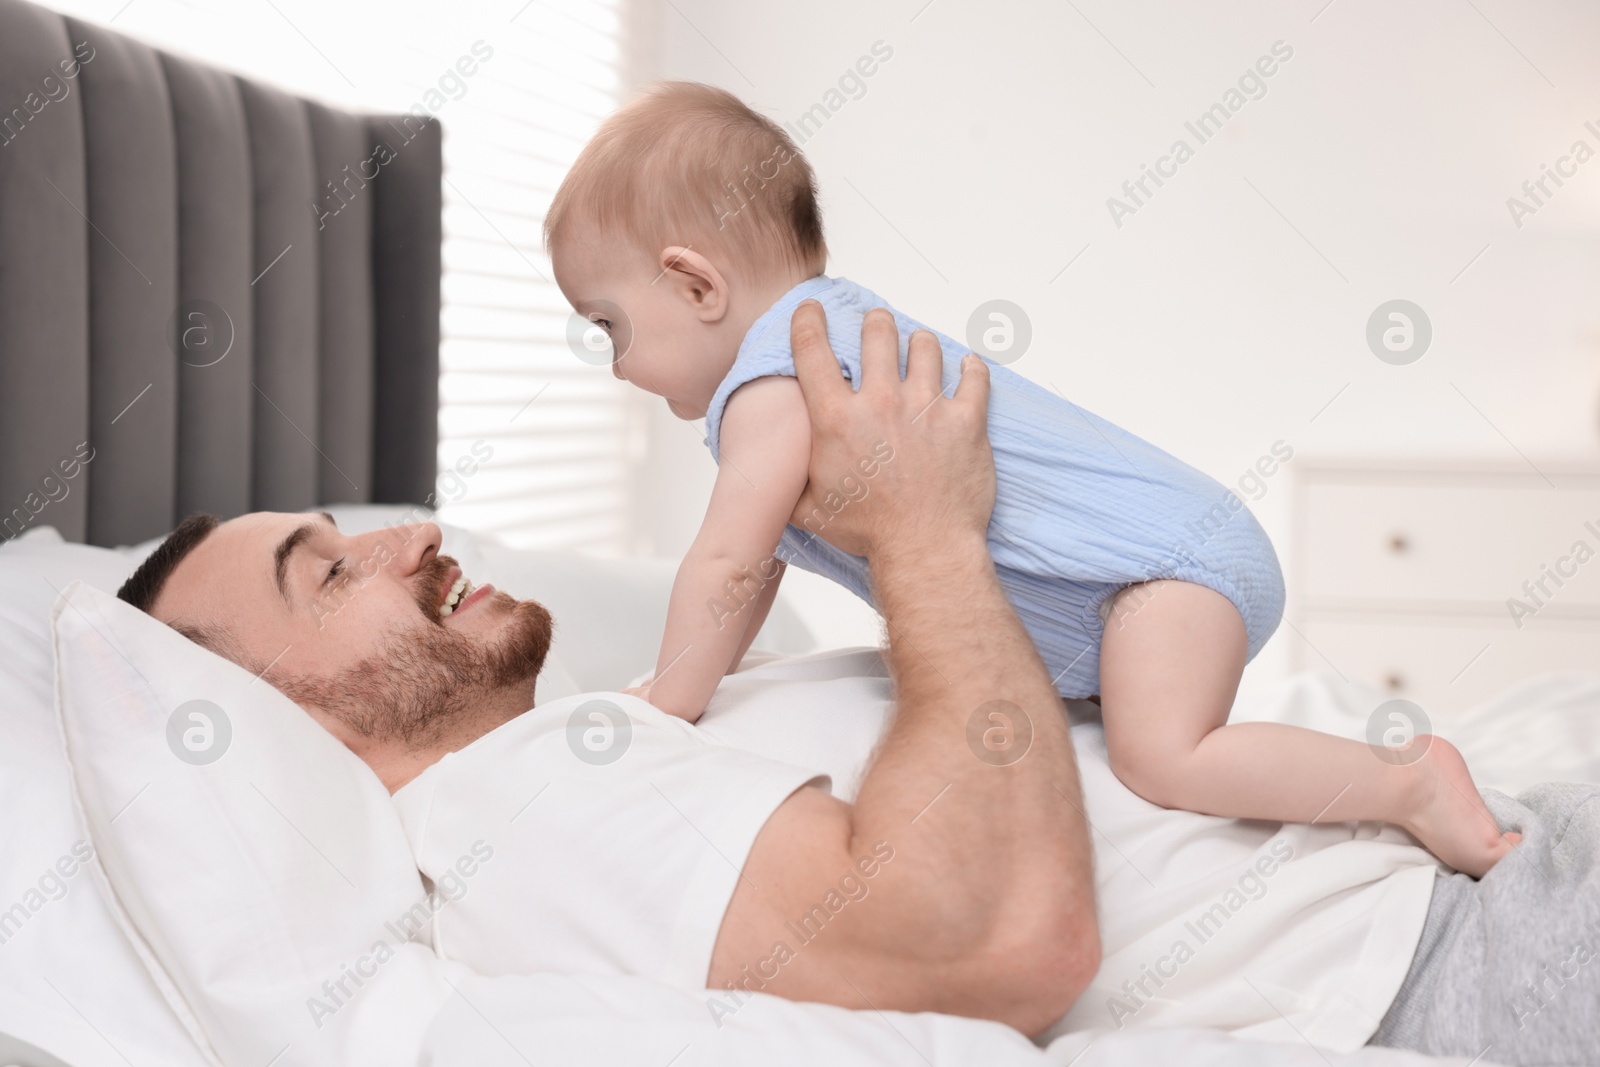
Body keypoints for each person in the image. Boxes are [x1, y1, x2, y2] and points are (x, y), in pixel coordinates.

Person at [117, 308, 1597, 1063]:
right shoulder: (519, 814)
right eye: (326, 573)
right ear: (268, 716)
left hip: (1469, 872)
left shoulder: (596, 736)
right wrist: (925, 530)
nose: (413, 537)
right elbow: (1000, 938)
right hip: (1448, 949)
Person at [541, 81, 1516, 877]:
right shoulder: (816, 356)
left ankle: (1408, 781)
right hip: (1142, 578)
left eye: (608, 326)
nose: (616, 364)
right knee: (1130, 742)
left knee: (1161, 755)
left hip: (1160, 571)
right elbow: (751, 575)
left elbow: (726, 562)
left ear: (694, 284)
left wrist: (666, 700)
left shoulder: (777, 373)